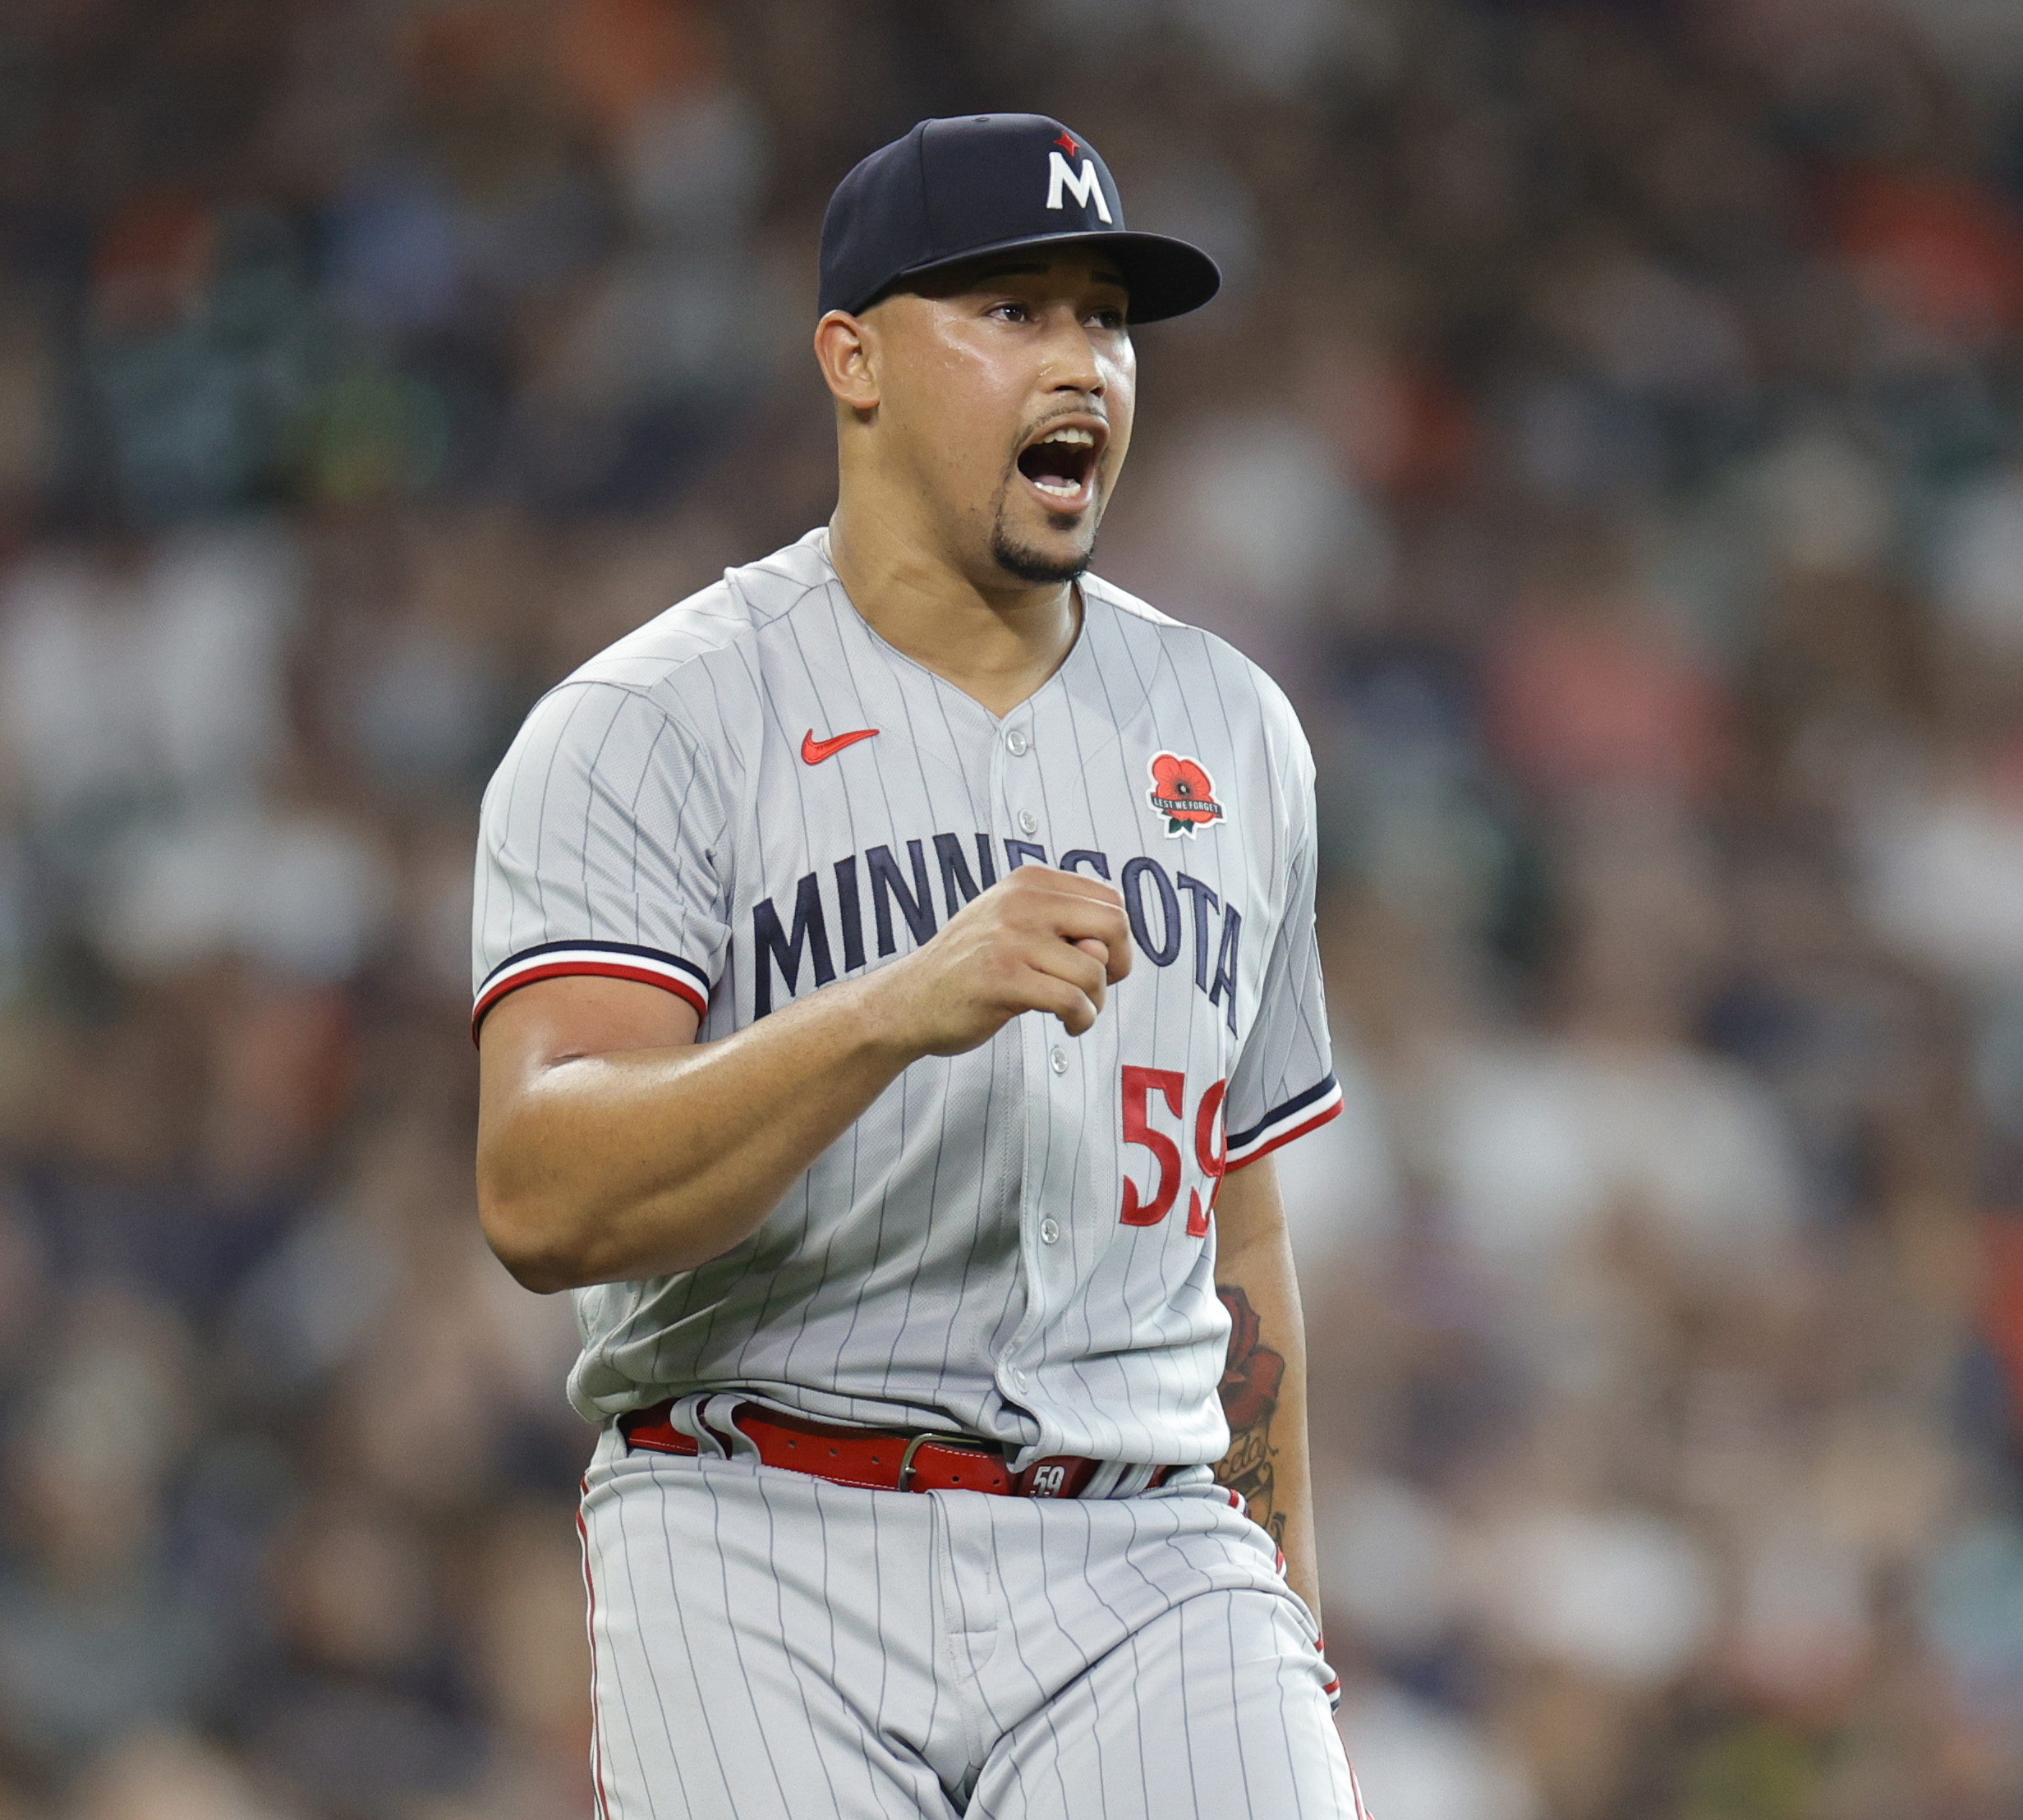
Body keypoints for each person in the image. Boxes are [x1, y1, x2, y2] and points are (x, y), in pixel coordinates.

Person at [469, 113, 1357, 1818]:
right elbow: (538, 1193)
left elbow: (1240, 1225)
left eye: (1104, 315)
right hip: (755, 1524)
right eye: (1009, 312)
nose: (1082, 361)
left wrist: (1288, 1620)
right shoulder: (652, 725)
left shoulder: (1232, 731)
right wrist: (887, 1010)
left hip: (1148, 1546)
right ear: (852, 358)